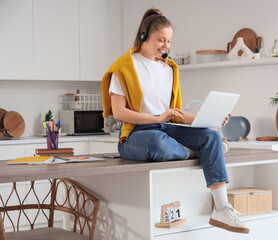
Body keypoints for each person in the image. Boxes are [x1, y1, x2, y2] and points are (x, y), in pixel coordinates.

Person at [101, 8, 250, 234]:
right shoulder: (124, 67)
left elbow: (175, 113)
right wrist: (156, 118)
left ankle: (221, 207)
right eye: (161, 40)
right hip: (137, 136)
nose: (166, 46)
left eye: (169, 41)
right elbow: (119, 112)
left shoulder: (170, 68)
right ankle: (197, 151)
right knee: (157, 141)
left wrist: (213, 119)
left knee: (211, 136)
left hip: (168, 128)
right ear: (144, 37)